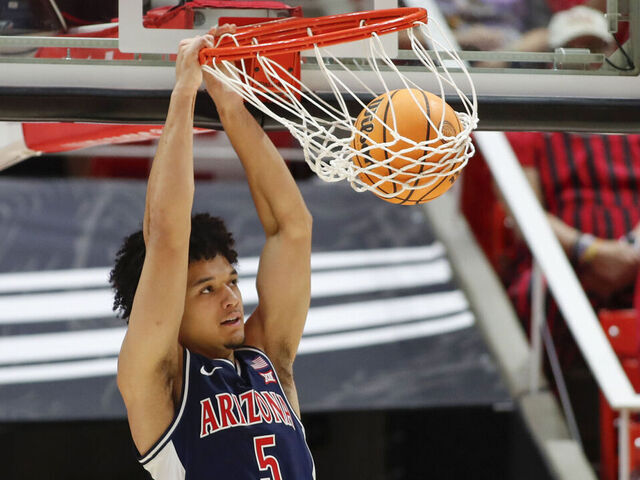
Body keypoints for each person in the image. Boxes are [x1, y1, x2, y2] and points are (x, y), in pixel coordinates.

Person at [109, 26, 315, 480]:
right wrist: (184, 92)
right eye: (206, 289)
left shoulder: (267, 359)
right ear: (168, 303)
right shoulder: (159, 378)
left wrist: (230, 106)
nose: (231, 299)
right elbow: (166, 238)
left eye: (231, 281)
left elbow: (292, 229)